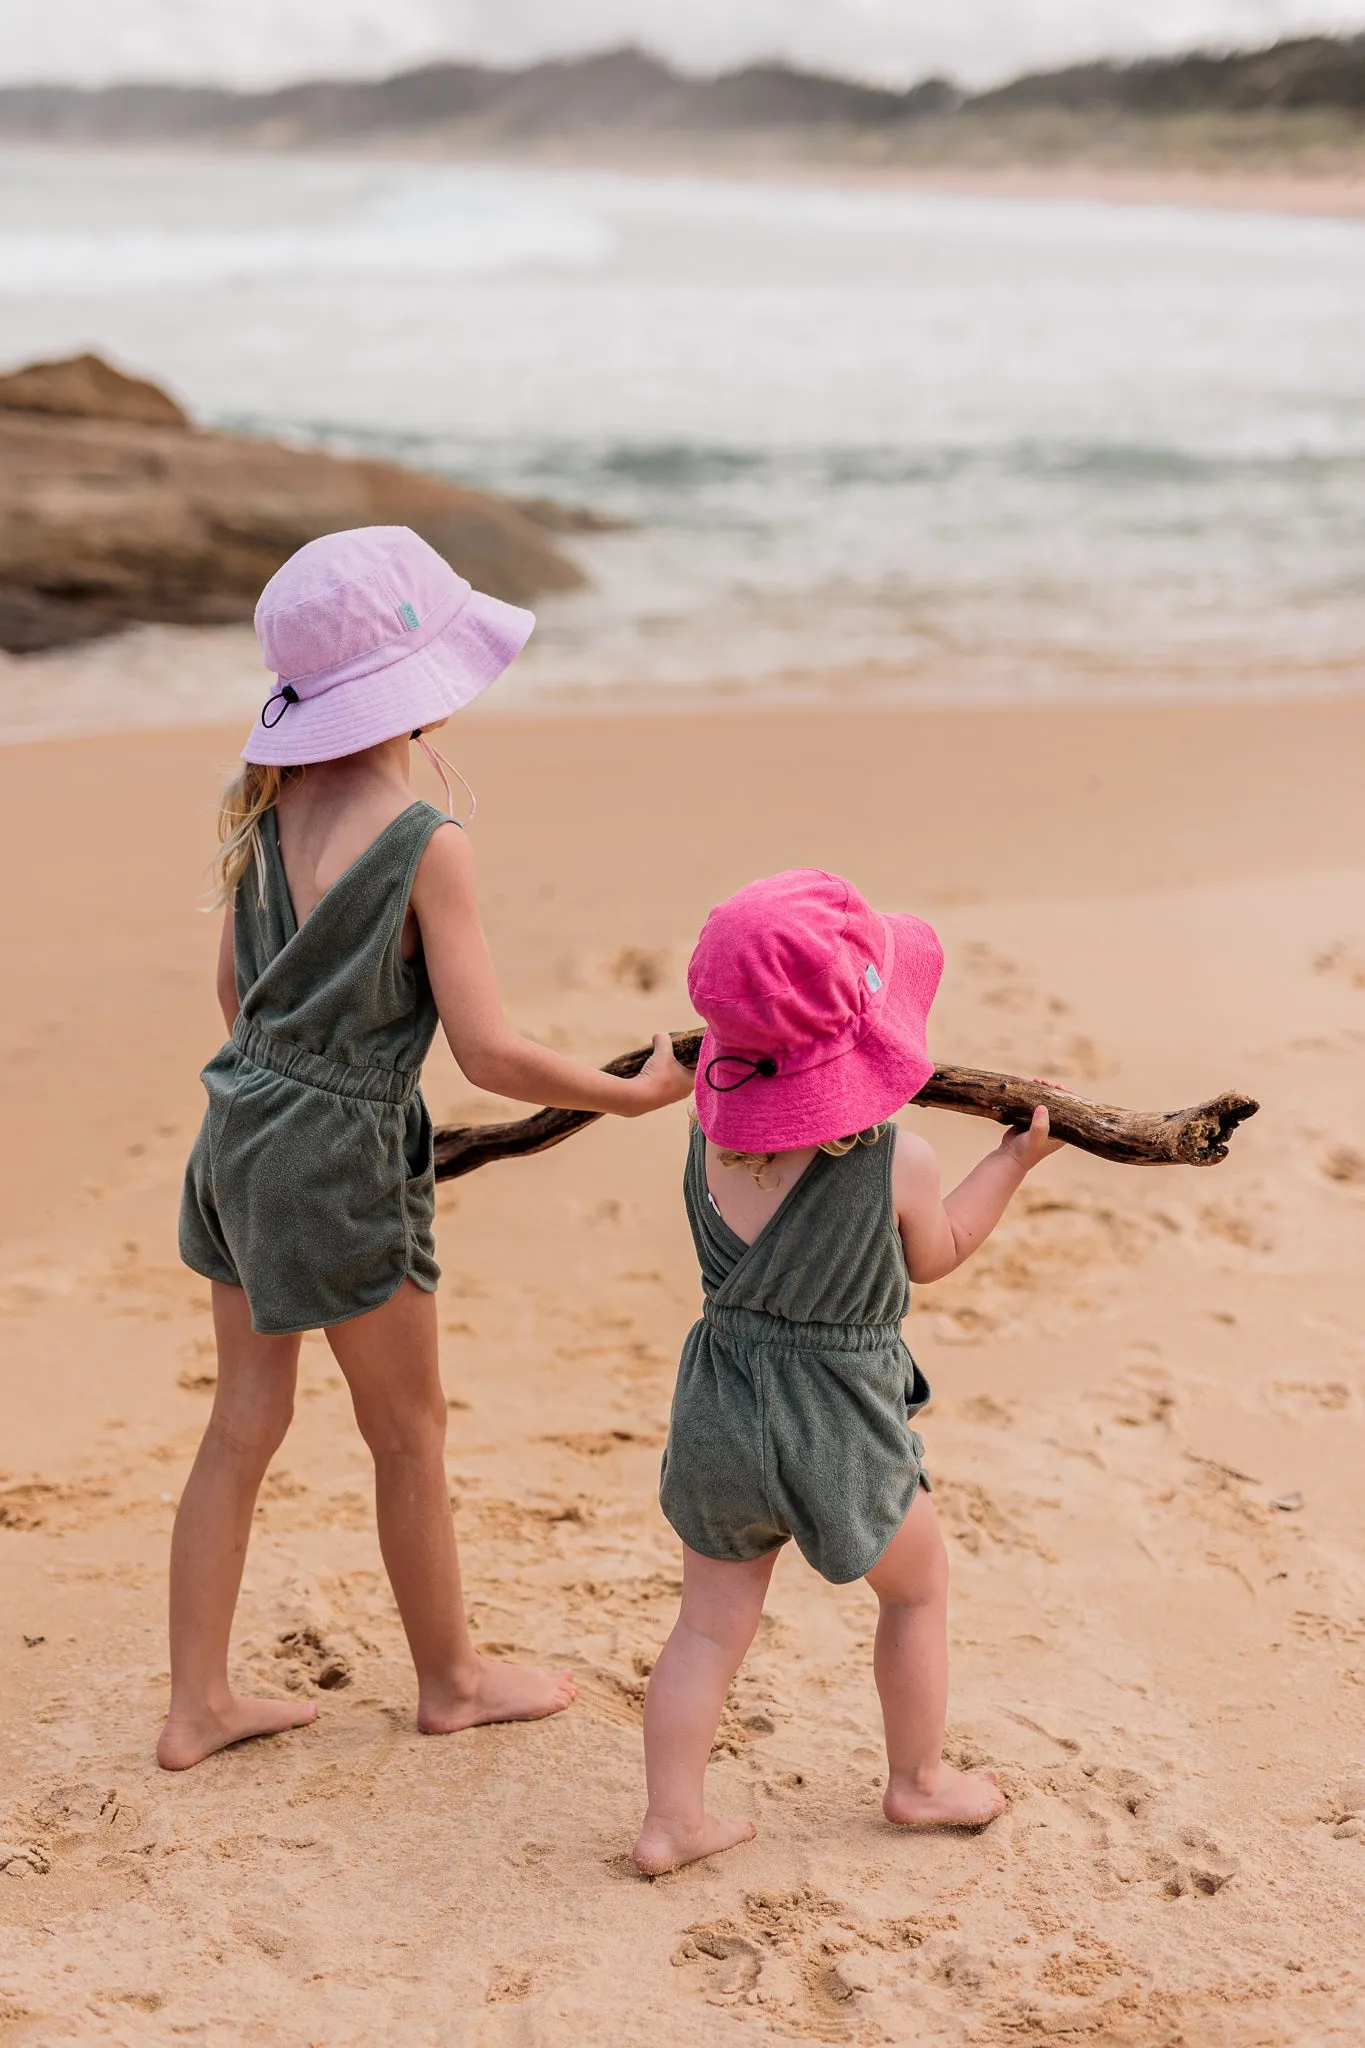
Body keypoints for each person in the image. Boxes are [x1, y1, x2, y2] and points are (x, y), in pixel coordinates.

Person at [162, 525, 691, 1771]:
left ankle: (197, 1704)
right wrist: (629, 1094)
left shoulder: (266, 808)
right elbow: (491, 1053)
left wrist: (294, 1077)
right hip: (338, 1162)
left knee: (242, 1418)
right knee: (408, 1430)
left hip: (236, 1125)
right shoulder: (423, 845)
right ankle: (449, 1679)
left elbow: (236, 991)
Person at [632, 869, 1063, 1874]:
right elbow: (938, 1248)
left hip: (719, 1412)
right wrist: (1010, 1164)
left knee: (706, 1627)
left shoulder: (705, 1135)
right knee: (915, 1590)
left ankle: (670, 1820)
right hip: (842, 1423)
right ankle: (917, 1780)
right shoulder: (896, 1160)